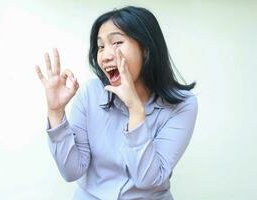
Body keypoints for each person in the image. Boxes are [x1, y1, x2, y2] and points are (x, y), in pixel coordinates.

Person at [35, 6, 198, 200]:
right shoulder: (90, 94)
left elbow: (148, 180)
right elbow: (72, 171)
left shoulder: (183, 105)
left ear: (146, 49)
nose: (105, 56)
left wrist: (136, 111)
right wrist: (55, 111)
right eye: (101, 46)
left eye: (117, 42)